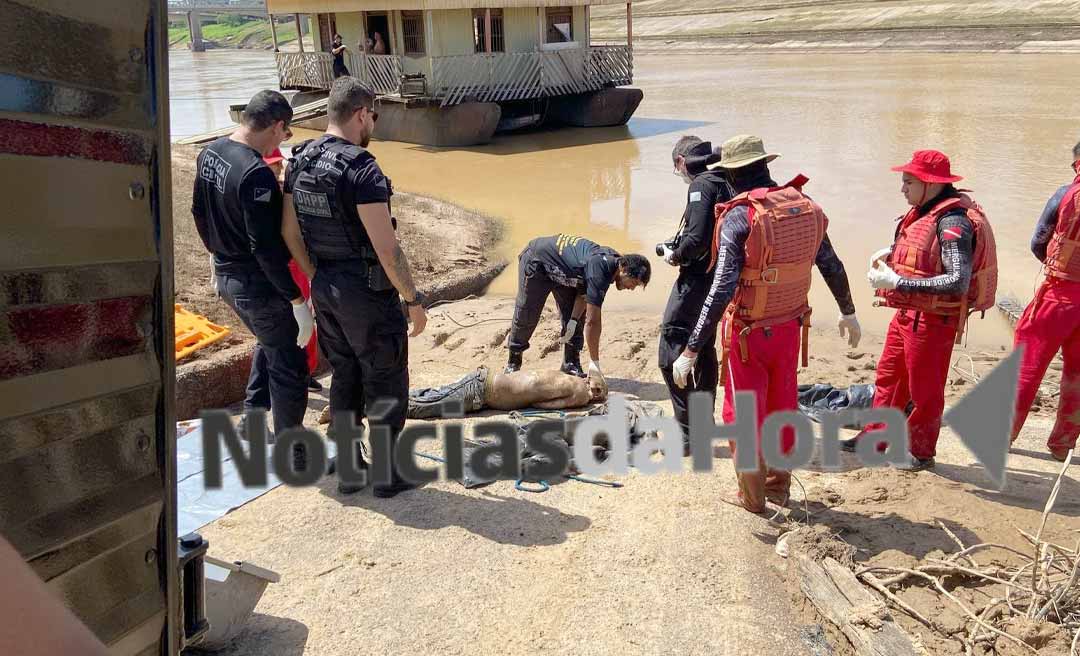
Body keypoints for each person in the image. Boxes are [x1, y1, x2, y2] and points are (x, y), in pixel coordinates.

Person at [674, 134, 861, 514]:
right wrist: (848, 311)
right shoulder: (806, 207)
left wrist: (692, 349)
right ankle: (778, 487)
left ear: (733, 175)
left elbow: (722, 287)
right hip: (791, 328)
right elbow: (831, 264)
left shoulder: (739, 217)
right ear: (764, 167)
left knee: (743, 415)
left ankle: (753, 498)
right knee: (782, 408)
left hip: (748, 334)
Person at [283, 77, 427, 498]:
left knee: (344, 376)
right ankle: (386, 475)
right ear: (362, 113)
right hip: (366, 294)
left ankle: (350, 470)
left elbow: (289, 232)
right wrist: (413, 300)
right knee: (385, 380)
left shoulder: (301, 159)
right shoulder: (362, 169)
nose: (373, 127)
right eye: (373, 118)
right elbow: (387, 248)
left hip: (324, 287)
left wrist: (315, 275)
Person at [841, 150, 998, 471]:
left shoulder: (953, 222)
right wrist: (894, 256)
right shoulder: (923, 211)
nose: (902, 189)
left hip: (933, 321)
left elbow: (957, 280)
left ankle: (921, 451)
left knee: (925, 390)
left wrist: (897, 280)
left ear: (929, 183)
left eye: (907, 182)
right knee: (888, 377)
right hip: (907, 316)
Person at [192, 90, 312, 470]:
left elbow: (198, 210)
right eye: (284, 132)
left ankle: (253, 418)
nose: (283, 141)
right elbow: (265, 248)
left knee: (269, 340)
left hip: (227, 274)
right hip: (254, 283)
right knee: (289, 361)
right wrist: (296, 300)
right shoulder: (256, 173)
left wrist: (216, 254)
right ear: (276, 125)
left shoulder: (211, 152)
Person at [658, 136, 733, 450]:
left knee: (672, 344)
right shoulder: (727, 180)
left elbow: (698, 240)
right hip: (722, 279)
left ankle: (690, 433)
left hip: (698, 279)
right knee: (702, 345)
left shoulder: (701, 185)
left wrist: (673, 255)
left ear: (680, 162)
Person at [505, 234, 651, 395]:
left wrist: (573, 321)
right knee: (528, 312)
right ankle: (514, 361)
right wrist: (594, 364)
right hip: (538, 262)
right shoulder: (600, 270)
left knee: (576, 317)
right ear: (624, 269)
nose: (631, 289)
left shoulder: (611, 265)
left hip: (564, 273)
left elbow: (584, 294)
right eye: (634, 283)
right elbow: (593, 321)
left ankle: (570, 363)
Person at [1010, 140, 1080, 462]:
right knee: (1077, 376)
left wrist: (1058, 265)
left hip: (1060, 295)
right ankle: (1062, 443)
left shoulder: (1065, 195)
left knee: (1026, 366)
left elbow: (1037, 241)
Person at [319, 367, 607, 422]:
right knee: (422, 407)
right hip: (481, 394)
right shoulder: (580, 394)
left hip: (484, 380)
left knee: (429, 396)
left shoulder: (566, 375)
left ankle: (357, 404)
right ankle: (355, 408)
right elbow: (546, 405)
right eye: (597, 393)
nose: (594, 397)